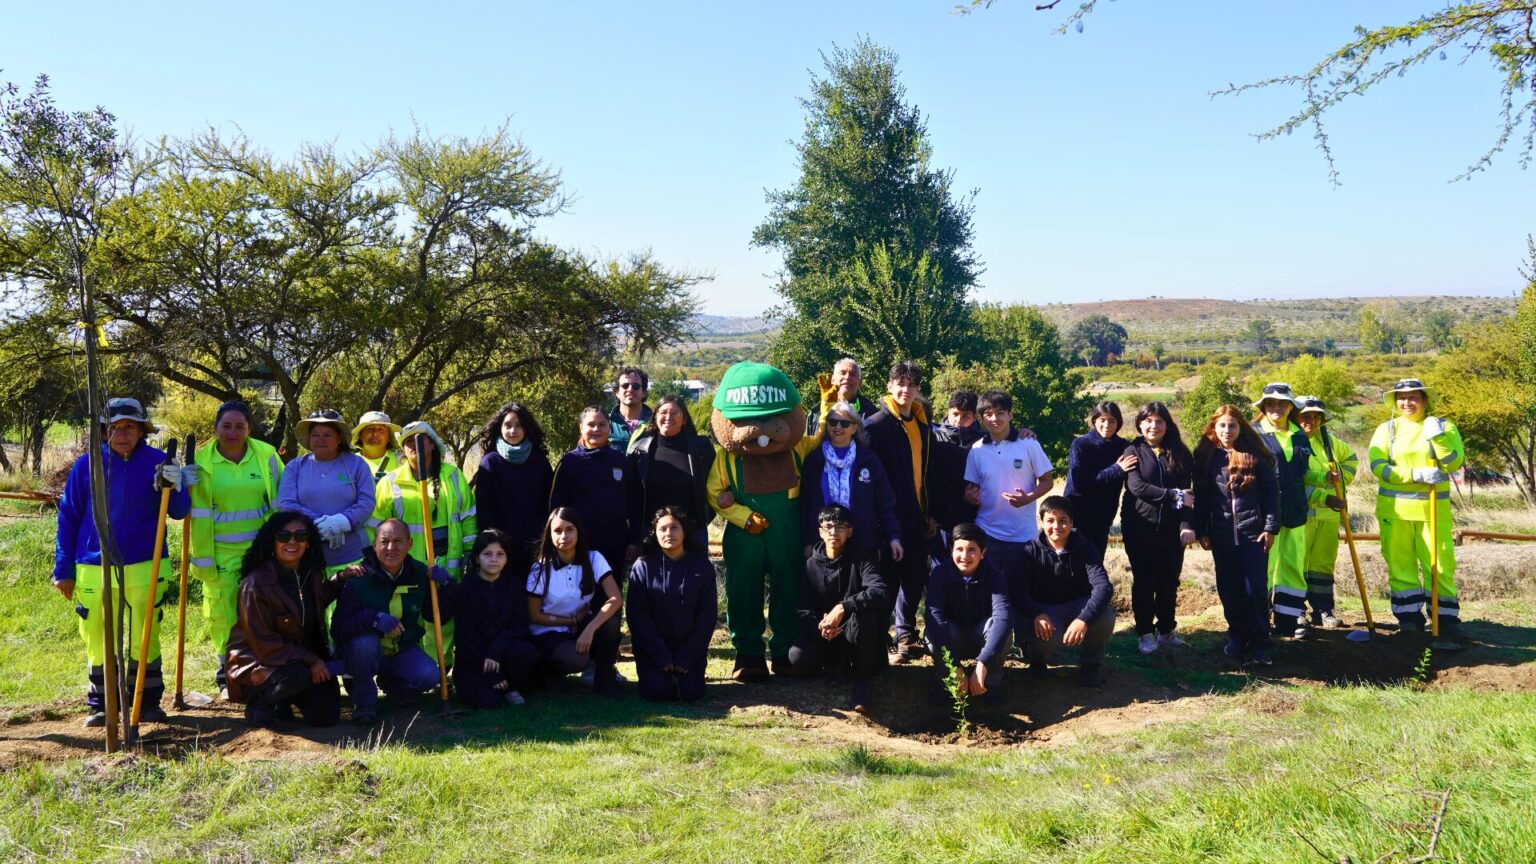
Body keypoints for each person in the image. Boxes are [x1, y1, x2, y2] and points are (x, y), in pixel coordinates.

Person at [54, 397, 195, 726]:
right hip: (93, 566)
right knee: (97, 634)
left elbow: (178, 511)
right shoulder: (86, 465)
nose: (121, 432)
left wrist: (176, 485)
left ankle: (145, 703)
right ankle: (103, 704)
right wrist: (63, 569)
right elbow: (68, 517)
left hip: (147, 564)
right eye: (114, 427)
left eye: (129, 426)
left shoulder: (160, 461)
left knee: (146, 635)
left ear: (141, 430)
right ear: (104, 431)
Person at [188, 400, 283, 695]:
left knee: (263, 615)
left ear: (249, 429)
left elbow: (282, 499)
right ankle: (226, 676)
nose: (232, 432)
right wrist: (179, 483)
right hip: (219, 556)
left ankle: (266, 672)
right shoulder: (200, 461)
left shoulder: (265, 455)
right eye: (226, 426)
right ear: (215, 429)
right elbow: (181, 508)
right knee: (225, 617)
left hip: (262, 554)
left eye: (239, 426)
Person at [225, 512, 346, 728]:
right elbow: (265, 646)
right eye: (283, 536)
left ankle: (284, 702)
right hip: (258, 664)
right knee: (297, 675)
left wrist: (340, 579)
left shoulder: (309, 573)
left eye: (300, 536)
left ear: (308, 542)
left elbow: (314, 602)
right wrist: (312, 660)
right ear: (272, 541)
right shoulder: (255, 585)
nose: (292, 542)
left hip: (295, 661)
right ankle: (259, 703)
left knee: (326, 716)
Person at [1368, 378, 1466, 640]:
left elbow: (1454, 462)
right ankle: (1409, 618)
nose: (1407, 402)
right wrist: (1416, 474)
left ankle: (1445, 619)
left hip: (1433, 512)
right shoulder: (1386, 430)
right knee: (1401, 565)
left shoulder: (1445, 426)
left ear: (1425, 400)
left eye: (1414, 397)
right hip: (1395, 511)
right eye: (1402, 397)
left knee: (1440, 564)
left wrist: (1439, 439)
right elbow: (1378, 467)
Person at [331, 518, 455, 724]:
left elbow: (434, 617)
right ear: (374, 544)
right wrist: (372, 618)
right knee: (365, 645)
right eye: (385, 541)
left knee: (429, 676)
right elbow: (339, 629)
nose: (391, 548)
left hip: (400, 649)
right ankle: (364, 703)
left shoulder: (420, 573)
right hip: (362, 652)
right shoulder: (358, 577)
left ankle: (394, 687)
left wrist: (449, 586)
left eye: (398, 541)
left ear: (409, 544)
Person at [962, 390, 1055, 636]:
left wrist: (1029, 497)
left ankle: (1026, 642)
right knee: (988, 590)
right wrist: (969, 497)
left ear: (1010, 414)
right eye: (988, 414)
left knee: (1021, 590)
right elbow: (970, 489)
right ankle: (990, 640)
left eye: (1000, 413)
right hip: (987, 532)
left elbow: (1047, 481)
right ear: (982, 418)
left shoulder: (1029, 444)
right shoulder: (977, 449)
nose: (994, 418)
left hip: (1022, 535)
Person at [865, 361, 940, 664]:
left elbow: (927, 474)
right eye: (900, 383)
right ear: (889, 385)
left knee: (913, 577)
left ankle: (905, 635)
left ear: (918, 389)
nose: (905, 390)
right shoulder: (875, 425)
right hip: (887, 518)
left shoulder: (922, 424)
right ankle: (877, 640)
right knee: (886, 579)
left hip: (917, 517)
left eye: (911, 384)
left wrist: (929, 512)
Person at [1193, 406, 1280, 666]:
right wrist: (1202, 530)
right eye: (1221, 426)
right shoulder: (1207, 457)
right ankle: (1238, 637)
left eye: (1232, 426)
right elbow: (1201, 498)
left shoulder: (1256, 456)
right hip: (1221, 536)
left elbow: (1272, 495)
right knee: (1229, 589)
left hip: (1253, 535)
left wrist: (1270, 527)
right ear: (1213, 428)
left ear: (1241, 429)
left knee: (1254, 590)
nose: (1226, 431)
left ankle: (1261, 641)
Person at [783, 506, 890, 714]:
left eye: (840, 527)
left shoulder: (863, 557)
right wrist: (820, 627)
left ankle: (862, 681)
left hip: (855, 632)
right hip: (826, 634)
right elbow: (803, 609)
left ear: (850, 531)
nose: (834, 532)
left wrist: (844, 607)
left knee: (866, 613)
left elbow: (880, 591)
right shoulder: (809, 565)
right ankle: (834, 666)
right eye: (828, 527)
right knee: (796, 656)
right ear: (820, 531)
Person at [1118, 402, 1197, 655]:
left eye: (1159, 421)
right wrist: (1172, 495)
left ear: (1167, 424)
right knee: (1144, 580)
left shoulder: (1180, 452)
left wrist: (1186, 525)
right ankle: (1144, 633)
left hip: (1172, 530)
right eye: (1148, 421)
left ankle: (1166, 631)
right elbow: (1137, 487)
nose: (1154, 426)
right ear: (1140, 424)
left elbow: (1188, 496)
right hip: (1140, 527)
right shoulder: (1132, 450)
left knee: (1168, 581)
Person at [526, 508, 625, 699]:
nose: (564, 536)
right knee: (578, 660)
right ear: (550, 535)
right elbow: (534, 615)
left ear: (579, 531)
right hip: (548, 631)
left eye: (570, 529)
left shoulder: (594, 558)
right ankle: (548, 672)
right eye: (558, 531)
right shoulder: (540, 569)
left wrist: (589, 629)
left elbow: (616, 598)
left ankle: (604, 678)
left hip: (580, 624)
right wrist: (570, 621)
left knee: (610, 619)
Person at [1018, 497, 1115, 686]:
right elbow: (1016, 589)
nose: (1057, 526)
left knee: (1105, 615)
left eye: (1063, 521)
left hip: (1077, 605)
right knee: (1046, 638)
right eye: (1050, 521)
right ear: (1041, 522)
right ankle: (1036, 660)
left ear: (1071, 522)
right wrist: (1036, 613)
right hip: (1044, 609)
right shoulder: (1028, 551)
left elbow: (1103, 586)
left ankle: (1090, 665)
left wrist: (1084, 619)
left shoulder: (1085, 548)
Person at [625, 508, 718, 703]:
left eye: (674, 528)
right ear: (655, 534)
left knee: (690, 693)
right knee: (656, 692)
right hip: (653, 651)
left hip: (689, 651)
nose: (669, 534)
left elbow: (707, 617)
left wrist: (687, 654)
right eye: (663, 529)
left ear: (684, 531)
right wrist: (661, 655)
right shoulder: (643, 567)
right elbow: (637, 616)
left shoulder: (702, 566)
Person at [799, 401, 902, 565]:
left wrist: (893, 537)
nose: (838, 427)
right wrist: (807, 542)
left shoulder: (869, 460)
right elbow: (805, 504)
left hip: (862, 543)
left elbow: (884, 502)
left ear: (854, 428)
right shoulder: (814, 460)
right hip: (823, 543)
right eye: (833, 422)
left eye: (845, 423)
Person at [370, 422, 476, 581]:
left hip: (449, 571)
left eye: (419, 439)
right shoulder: (389, 482)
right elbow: (375, 528)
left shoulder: (453, 475)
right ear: (403, 450)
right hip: (407, 572)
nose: (414, 444)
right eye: (408, 441)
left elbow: (468, 516)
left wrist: (470, 551)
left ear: (432, 444)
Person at [1252, 383, 1316, 639]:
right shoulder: (1253, 434)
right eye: (1271, 403)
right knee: (1263, 567)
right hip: (1265, 513)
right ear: (1263, 407)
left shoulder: (1300, 435)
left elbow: (1305, 474)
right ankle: (1259, 621)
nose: (1276, 408)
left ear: (1291, 407)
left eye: (1282, 403)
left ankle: (1289, 620)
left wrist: (1325, 478)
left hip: (1295, 512)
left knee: (1292, 566)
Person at [276, 409, 376, 573]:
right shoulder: (295, 466)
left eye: (327, 435)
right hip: (307, 557)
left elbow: (367, 502)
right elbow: (287, 503)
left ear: (339, 438)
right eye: (315, 435)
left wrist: (342, 521)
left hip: (354, 557)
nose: (320, 440)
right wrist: (317, 524)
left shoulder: (357, 464)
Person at [550, 407, 639, 587]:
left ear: (609, 428)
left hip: (615, 543)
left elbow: (634, 504)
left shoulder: (621, 461)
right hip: (579, 543)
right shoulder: (569, 462)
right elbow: (556, 508)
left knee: (611, 592)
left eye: (602, 424)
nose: (596, 429)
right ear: (581, 427)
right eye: (591, 424)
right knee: (581, 591)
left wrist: (634, 541)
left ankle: (610, 617)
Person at [452, 529, 539, 708]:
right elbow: (466, 636)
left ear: (507, 558)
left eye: (500, 554)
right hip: (474, 658)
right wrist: (491, 670)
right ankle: (497, 684)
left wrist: (496, 652)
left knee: (526, 651)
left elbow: (519, 626)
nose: (494, 559)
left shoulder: (514, 586)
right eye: (487, 554)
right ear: (477, 558)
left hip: (502, 652)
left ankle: (511, 686)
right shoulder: (465, 590)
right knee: (489, 702)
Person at [925, 523, 1011, 702]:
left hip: (981, 637)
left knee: (999, 627)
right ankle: (946, 680)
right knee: (934, 631)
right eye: (959, 549)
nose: (965, 556)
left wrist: (983, 663)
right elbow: (934, 615)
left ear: (983, 552)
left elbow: (1003, 616)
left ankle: (991, 681)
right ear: (951, 550)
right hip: (953, 637)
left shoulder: (994, 575)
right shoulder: (939, 574)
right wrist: (955, 666)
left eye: (972, 550)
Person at [472, 401, 554, 582]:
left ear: (527, 428)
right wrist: (494, 545)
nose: (513, 430)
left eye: (519, 425)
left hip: (535, 546)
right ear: (499, 427)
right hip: (500, 550)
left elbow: (548, 504)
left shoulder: (540, 461)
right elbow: (484, 508)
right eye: (508, 425)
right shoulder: (490, 462)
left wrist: (545, 540)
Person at [1297, 397, 1357, 628]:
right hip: (1303, 516)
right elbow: (1297, 482)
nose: (1309, 420)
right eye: (1304, 415)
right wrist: (1324, 494)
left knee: (1322, 566)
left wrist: (1342, 478)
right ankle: (1297, 610)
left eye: (1314, 416)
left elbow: (1351, 461)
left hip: (1330, 516)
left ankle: (1323, 610)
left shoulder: (1330, 443)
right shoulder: (1293, 443)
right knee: (1298, 564)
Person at [628, 394, 716, 549]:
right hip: (650, 533)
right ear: (655, 418)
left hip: (693, 533)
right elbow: (633, 497)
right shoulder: (640, 450)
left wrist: (704, 519)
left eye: (675, 413)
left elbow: (715, 485)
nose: (668, 417)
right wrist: (634, 538)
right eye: (663, 413)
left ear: (685, 419)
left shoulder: (701, 448)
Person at [1063, 401, 1137, 557]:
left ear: (1118, 423)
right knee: (1072, 567)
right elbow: (1078, 484)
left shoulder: (1122, 447)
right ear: (1094, 421)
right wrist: (1116, 469)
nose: (1107, 425)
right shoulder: (1081, 444)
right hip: (1077, 516)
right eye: (1102, 419)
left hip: (1103, 519)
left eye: (1112, 421)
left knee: (1096, 566)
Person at [806, 357, 880, 435]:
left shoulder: (872, 414)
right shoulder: (816, 412)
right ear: (833, 379)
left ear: (860, 382)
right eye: (842, 373)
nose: (847, 377)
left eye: (853, 374)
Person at [609, 366, 653, 454]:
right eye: (625, 386)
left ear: (644, 392)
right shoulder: (605, 423)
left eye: (635, 386)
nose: (630, 389)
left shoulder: (655, 422)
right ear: (617, 392)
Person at [353, 411, 404, 483]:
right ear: (360, 435)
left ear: (389, 437)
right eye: (370, 429)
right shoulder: (349, 462)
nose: (375, 433)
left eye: (381, 430)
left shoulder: (402, 461)